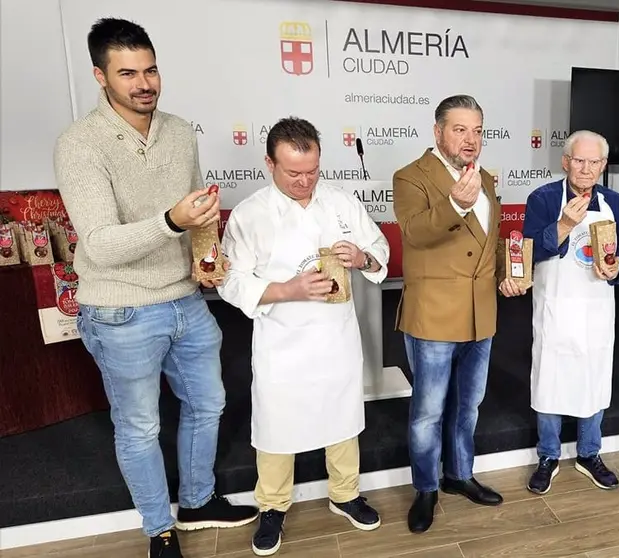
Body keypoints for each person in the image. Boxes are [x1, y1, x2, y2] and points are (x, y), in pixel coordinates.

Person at [53, 18, 257, 558]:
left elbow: (197, 218)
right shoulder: (80, 144)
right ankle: (156, 529)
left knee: (208, 403)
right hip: (121, 309)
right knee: (140, 426)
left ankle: (196, 501)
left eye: (150, 70)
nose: (144, 83)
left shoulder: (179, 130)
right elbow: (98, 244)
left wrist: (207, 258)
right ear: (100, 76)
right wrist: (171, 219)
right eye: (127, 73)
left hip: (185, 300)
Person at [217, 117, 388, 554]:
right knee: (277, 424)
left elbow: (380, 252)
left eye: (312, 170)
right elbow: (231, 281)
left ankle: (345, 493)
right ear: (269, 163)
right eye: (293, 172)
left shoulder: (340, 202)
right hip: (282, 342)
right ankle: (273, 506)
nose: (304, 180)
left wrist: (363, 257)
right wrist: (288, 290)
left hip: (335, 337)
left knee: (342, 417)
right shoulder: (250, 214)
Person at [392, 94, 522, 534]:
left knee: (469, 406)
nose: (471, 139)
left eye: (478, 130)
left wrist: (508, 274)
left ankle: (459, 475)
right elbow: (414, 233)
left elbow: (488, 244)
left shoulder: (484, 178)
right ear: (438, 132)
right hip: (433, 316)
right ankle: (426, 488)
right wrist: (456, 205)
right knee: (428, 412)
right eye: (460, 129)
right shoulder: (410, 177)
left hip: (480, 313)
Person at [520, 130, 619, 495]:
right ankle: (548, 455)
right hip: (556, 306)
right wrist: (565, 224)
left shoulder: (616, 202)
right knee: (550, 379)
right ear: (565, 161)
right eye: (579, 160)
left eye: (594, 162)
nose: (586, 169)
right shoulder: (542, 198)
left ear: (603, 165)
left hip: (597, 310)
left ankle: (589, 453)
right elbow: (530, 251)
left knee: (593, 378)